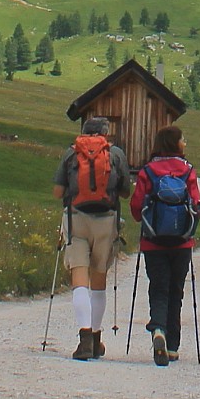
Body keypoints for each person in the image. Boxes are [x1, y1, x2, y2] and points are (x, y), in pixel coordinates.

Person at [53, 115, 131, 361]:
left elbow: (57, 192)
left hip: (76, 219)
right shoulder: (115, 153)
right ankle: (96, 339)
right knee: (99, 280)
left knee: (79, 280)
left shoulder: (71, 152)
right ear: (105, 133)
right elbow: (126, 193)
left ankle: (84, 339)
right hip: (106, 221)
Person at [129, 124, 200, 367]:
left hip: (153, 242)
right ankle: (172, 346)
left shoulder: (148, 171)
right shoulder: (187, 171)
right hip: (181, 242)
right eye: (183, 139)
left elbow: (137, 209)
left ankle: (157, 328)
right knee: (176, 292)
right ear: (176, 143)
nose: (185, 143)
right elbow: (196, 203)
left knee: (159, 288)